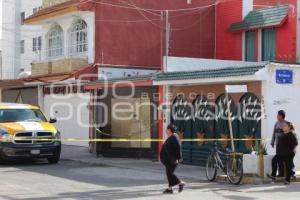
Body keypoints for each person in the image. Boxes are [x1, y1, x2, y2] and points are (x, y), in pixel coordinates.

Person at [160, 124, 185, 194]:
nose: (166, 131)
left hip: (172, 160)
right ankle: (170, 189)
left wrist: (179, 157)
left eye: (167, 129)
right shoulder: (171, 137)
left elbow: (178, 147)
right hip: (168, 160)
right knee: (169, 174)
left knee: (170, 174)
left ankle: (181, 183)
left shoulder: (174, 137)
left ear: (169, 130)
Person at [270, 110, 286, 177]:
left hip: (283, 146)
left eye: (278, 115)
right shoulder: (276, 123)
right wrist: (272, 142)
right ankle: (280, 174)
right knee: (279, 161)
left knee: (278, 160)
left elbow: (287, 135)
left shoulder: (285, 124)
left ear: (281, 116)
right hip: (278, 146)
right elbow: (274, 133)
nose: (277, 116)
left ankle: (276, 174)